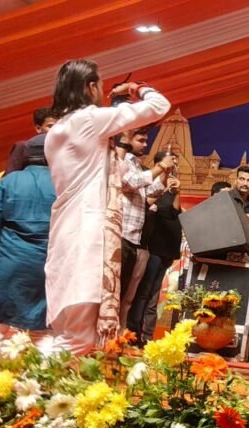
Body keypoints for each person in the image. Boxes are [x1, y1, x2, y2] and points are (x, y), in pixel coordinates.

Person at [44, 59, 171, 356]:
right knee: (77, 339)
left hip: (64, 231)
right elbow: (159, 105)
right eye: (99, 85)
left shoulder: (56, 130)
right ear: (90, 87)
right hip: (87, 234)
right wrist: (137, 88)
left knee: (65, 332)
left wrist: (116, 107)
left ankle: (38, 381)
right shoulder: (88, 120)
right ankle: (33, 383)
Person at [0, 136, 57, 367]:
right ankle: (41, 386)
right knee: (43, 332)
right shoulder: (64, 185)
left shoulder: (8, 182)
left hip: (6, 264)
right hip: (45, 268)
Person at [119, 128, 176, 327]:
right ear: (128, 139)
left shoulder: (136, 164)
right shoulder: (121, 160)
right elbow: (130, 183)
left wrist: (165, 175)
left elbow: (149, 192)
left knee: (126, 294)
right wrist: (161, 166)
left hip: (134, 237)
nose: (145, 145)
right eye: (141, 140)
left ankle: (120, 334)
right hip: (121, 234)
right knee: (115, 292)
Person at [128, 150, 183, 345]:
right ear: (160, 164)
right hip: (152, 247)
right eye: (172, 162)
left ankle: (147, 335)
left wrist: (176, 191)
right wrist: (163, 186)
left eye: (176, 163)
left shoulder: (171, 188)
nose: (174, 166)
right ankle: (133, 332)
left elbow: (175, 211)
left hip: (167, 249)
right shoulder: (151, 185)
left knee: (153, 295)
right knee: (143, 292)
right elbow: (147, 204)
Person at [5, 107, 58, 175]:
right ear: (38, 128)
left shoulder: (64, 146)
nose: (56, 129)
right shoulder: (23, 147)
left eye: (58, 125)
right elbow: (10, 177)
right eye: (50, 126)